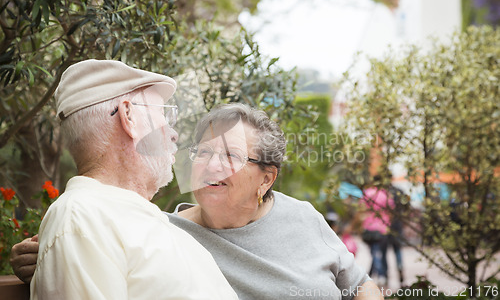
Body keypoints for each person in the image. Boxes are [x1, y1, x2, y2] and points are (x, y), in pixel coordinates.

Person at [12, 103, 383, 300]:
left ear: (266, 178)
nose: (210, 165)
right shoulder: (166, 233)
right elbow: (96, 247)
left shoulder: (302, 216)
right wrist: (41, 255)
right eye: (202, 152)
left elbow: (359, 285)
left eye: (230, 155)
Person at [25, 59, 237, 299]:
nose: (174, 133)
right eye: (163, 115)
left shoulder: (130, 216)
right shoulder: (82, 218)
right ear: (129, 116)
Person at [359, 182, 395, 287]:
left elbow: (361, 210)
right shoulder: (385, 194)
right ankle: (381, 275)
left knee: (375, 252)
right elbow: (391, 210)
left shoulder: (367, 194)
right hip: (383, 227)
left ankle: (378, 274)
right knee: (381, 252)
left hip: (369, 226)